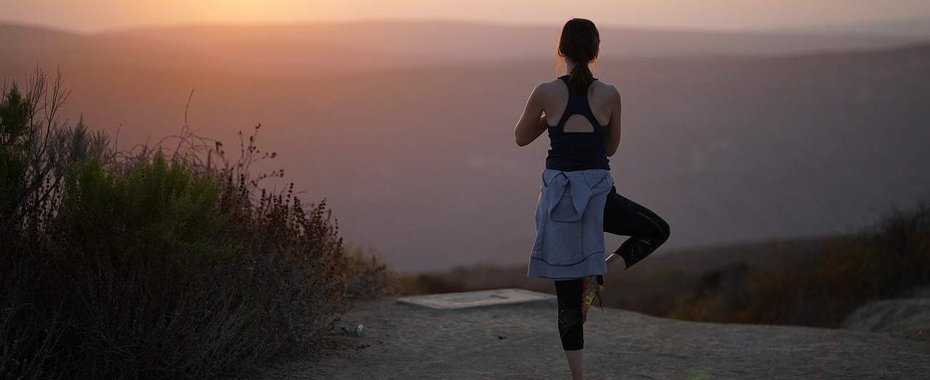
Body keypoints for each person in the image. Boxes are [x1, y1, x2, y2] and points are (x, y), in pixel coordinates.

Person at [513, 18, 671, 380]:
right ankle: (601, 271)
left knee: (567, 302)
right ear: (596, 51)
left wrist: (549, 121)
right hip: (599, 199)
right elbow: (611, 147)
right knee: (656, 230)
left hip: (559, 205)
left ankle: (578, 377)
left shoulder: (544, 92)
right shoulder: (610, 94)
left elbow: (521, 138)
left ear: (561, 50)